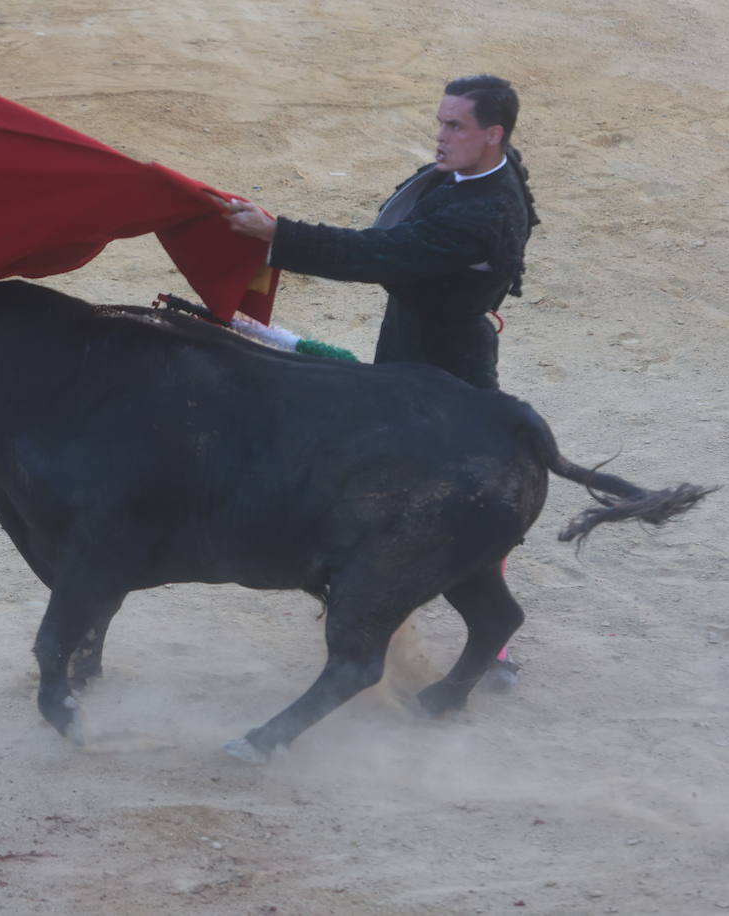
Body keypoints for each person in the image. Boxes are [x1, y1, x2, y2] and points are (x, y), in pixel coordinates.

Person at [218, 74, 538, 689]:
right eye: (440, 122)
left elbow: (376, 256)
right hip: (418, 338)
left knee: (463, 491)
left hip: (446, 360)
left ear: (492, 135)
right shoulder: (489, 169)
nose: (439, 137)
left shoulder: (482, 212)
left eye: (455, 127)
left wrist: (277, 235)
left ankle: (487, 638)